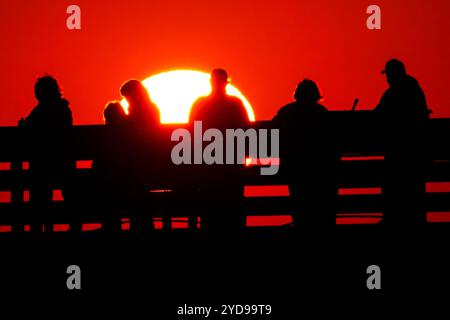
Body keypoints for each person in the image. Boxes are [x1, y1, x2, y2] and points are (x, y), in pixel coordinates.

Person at [190, 69, 250, 238]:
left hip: (208, 162)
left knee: (210, 202)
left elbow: (192, 132)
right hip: (231, 161)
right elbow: (245, 129)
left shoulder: (200, 104)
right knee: (233, 201)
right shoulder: (236, 104)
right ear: (226, 83)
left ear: (211, 82)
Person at [273, 79, 337, 230]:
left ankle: (300, 228)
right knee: (320, 205)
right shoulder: (321, 113)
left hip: (295, 168)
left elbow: (272, 130)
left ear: (297, 95)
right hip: (319, 169)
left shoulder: (286, 112)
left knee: (298, 201)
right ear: (315, 95)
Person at [374, 59, 430, 226]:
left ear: (392, 74)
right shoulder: (414, 89)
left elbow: (377, 114)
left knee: (395, 185)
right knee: (413, 187)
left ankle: (395, 219)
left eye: (389, 75)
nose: (387, 79)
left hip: (399, 150)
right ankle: (414, 219)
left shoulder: (395, 92)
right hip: (415, 149)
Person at [19, 75, 75, 233]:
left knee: (39, 193)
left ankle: (40, 228)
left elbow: (28, 126)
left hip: (44, 163)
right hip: (63, 163)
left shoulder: (41, 110)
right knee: (67, 192)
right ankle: (73, 224)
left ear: (41, 93)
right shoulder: (64, 109)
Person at [119, 79, 162, 235]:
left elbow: (135, 139)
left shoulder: (138, 113)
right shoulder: (152, 109)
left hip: (140, 164)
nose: (126, 100)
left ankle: (137, 226)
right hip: (152, 162)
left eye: (127, 97)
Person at [92, 101, 129, 236]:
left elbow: (97, 167)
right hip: (128, 184)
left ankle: (109, 227)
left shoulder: (103, 138)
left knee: (106, 189)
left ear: (106, 118)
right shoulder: (129, 136)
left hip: (107, 186)